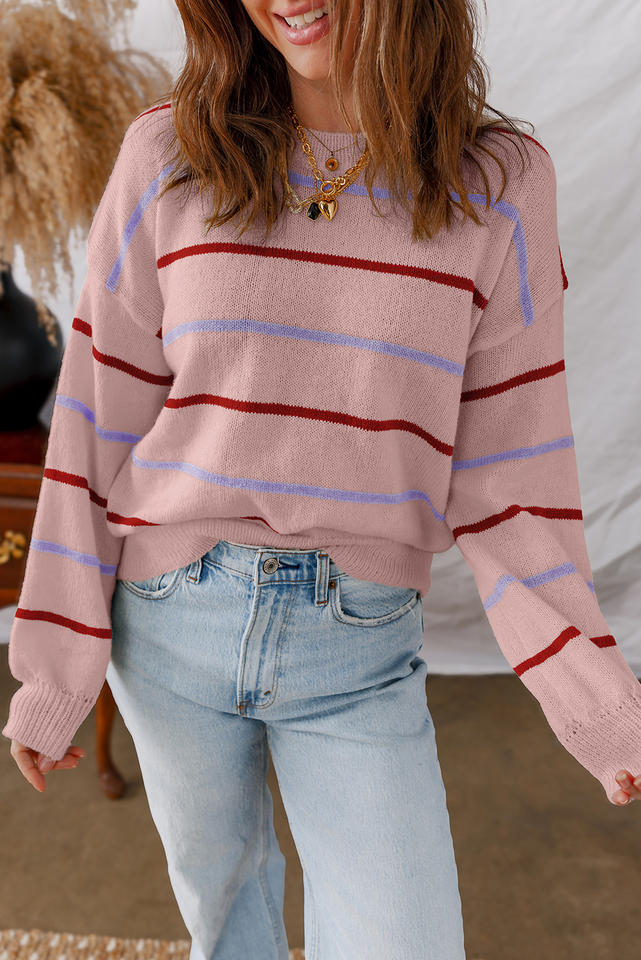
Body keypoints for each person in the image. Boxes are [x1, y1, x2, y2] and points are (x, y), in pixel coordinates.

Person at [4, 0, 641, 957]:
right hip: (167, 624)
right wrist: (54, 670)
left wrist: (596, 703)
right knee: (228, 925)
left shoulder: (500, 184)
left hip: (356, 647)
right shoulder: (168, 153)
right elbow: (94, 427)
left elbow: (512, 480)